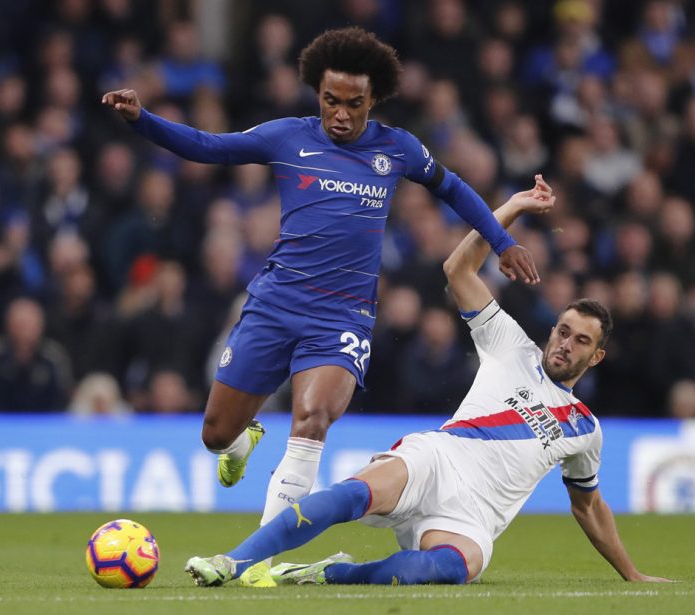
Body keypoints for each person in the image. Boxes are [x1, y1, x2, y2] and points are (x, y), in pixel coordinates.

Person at [102, 27, 540, 530]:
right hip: (275, 304)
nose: (341, 114)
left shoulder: (397, 148)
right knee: (216, 434)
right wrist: (141, 120)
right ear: (318, 93)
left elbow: (455, 189)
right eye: (331, 101)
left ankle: (259, 556)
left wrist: (503, 244)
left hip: (341, 314)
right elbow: (206, 146)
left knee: (311, 419)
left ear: (374, 98)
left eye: (355, 103)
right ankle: (243, 443)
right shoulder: (287, 136)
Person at [183, 176, 669, 587]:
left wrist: (633, 575)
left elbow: (590, 508)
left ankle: (324, 575)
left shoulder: (585, 429)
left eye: (581, 341)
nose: (566, 344)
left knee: (437, 571)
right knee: (348, 497)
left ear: (597, 356)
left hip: (473, 520)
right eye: (563, 331)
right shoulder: (511, 345)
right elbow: (458, 268)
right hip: (436, 460)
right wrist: (514, 207)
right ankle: (233, 562)